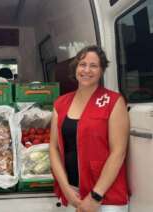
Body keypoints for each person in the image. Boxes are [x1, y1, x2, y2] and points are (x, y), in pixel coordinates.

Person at [49, 45, 129, 212]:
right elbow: (54, 148)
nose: (87, 70)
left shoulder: (113, 101)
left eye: (94, 66)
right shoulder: (61, 103)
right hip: (73, 194)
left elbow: (118, 152)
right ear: (75, 68)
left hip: (105, 197)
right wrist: (66, 189)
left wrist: (95, 196)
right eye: (82, 64)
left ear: (101, 70)